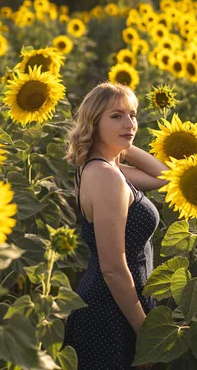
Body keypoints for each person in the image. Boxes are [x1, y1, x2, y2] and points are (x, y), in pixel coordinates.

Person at [61, 81, 169, 370]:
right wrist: (144, 330)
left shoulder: (103, 168)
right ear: (93, 122)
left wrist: (124, 144)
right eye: (116, 116)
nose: (129, 123)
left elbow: (168, 177)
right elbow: (113, 268)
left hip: (116, 304)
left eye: (132, 115)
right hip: (110, 314)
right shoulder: (106, 177)